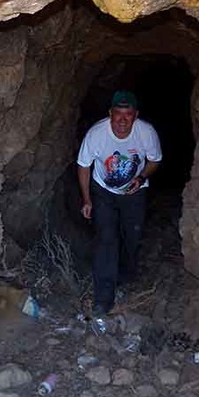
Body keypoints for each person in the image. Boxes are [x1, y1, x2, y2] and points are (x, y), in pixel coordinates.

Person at [77, 90, 162, 317]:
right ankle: (103, 298)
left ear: (135, 115)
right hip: (103, 190)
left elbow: (155, 160)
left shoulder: (146, 133)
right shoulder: (96, 134)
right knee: (106, 239)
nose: (122, 121)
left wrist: (141, 177)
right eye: (118, 114)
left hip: (134, 192)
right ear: (110, 114)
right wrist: (87, 199)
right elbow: (84, 166)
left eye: (128, 115)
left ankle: (125, 275)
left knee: (131, 237)